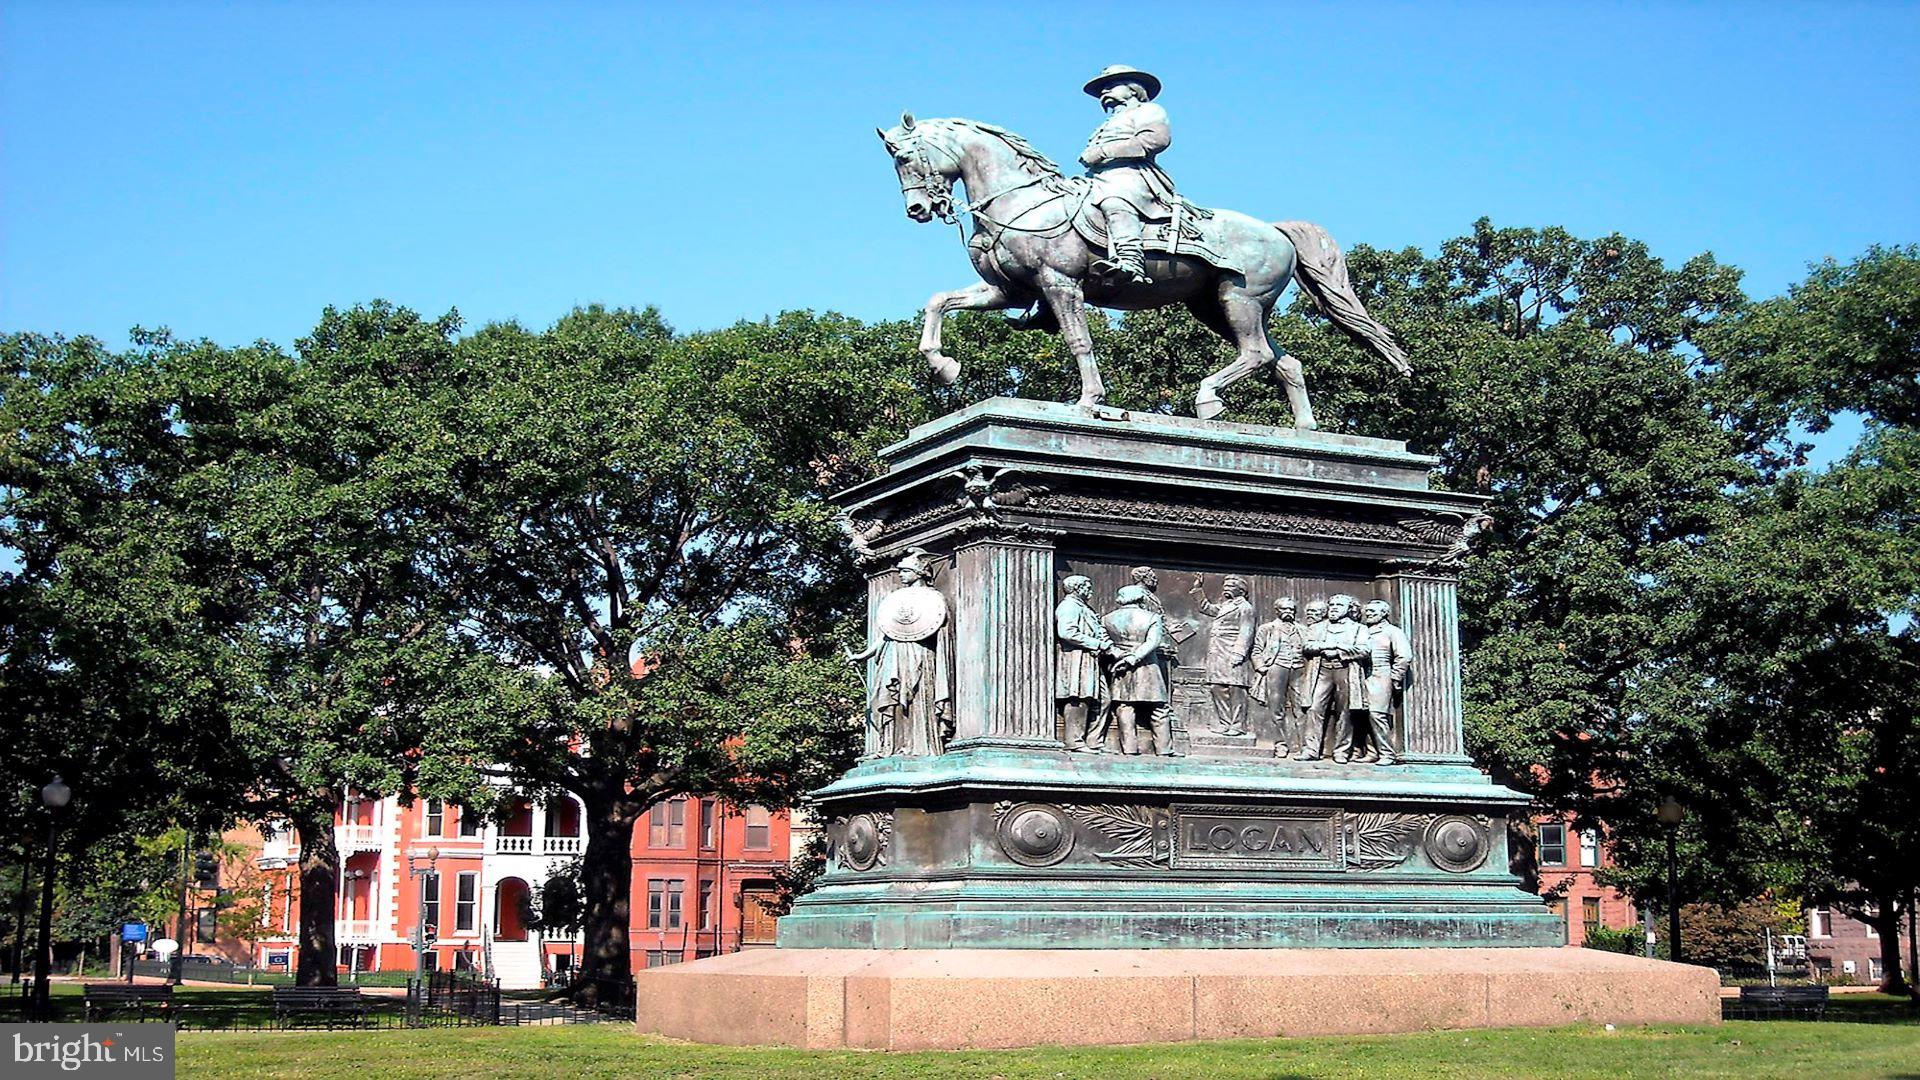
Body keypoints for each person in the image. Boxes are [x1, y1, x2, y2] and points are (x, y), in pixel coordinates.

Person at [846, 548, 953, 757]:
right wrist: (862, 655)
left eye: (905, 571)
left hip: (919, 654)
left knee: (917, 700)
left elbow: (938, 629)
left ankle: (920, 747)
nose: (901, 575)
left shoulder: (933, 597)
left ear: (919, 572)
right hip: (894, 653)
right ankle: (892, 747)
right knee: (889, 697)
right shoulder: (897, 598)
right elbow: (887, 632)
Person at [1079, 65, 1177, 287]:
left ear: (1133, 89)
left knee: (1115, 200)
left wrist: (1104, 152)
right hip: (1098, 177)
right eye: (1103, 89)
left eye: (1111, 86)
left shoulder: (1149, 110)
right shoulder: (1108, 122)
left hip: (1131, 175)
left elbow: (1154, 140)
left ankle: (1131, 261)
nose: (1104, 92)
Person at [1294, 594, 1369, 762]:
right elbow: (1307, 645)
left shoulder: (1359, 629)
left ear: (1348, 609)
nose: (1334, 608)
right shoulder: (1318, 627)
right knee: (1314, 708)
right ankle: (1311, 750)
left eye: (1339, 605)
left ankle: (1341, 751)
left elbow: (1363, 650)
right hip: (1322, 670)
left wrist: (1338, 651)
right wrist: (1324, 646)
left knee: (1346, 711)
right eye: (1331, 604)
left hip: (1346, 670)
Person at [1099, 584, 1173, 755]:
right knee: (1159, 708)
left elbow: (1105, 643)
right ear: (1140, 598)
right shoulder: (1152, 617)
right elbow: (1153, 642)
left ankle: (1129, 749)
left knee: (1124, 706)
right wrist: (1133, 658)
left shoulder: (1106, 619)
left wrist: (1120, 655)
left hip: (1119, 666)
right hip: (1147, 665)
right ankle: (1164, 749)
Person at [1188, 574, 1256, 736]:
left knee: (1236, 689)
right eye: (1225, 585)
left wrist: (1239, 653)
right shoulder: (1226, 605)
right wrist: (1198, 588)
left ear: (1241, 590)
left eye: (1230, 586)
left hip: (1233, 652)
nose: (1226, 588)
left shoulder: (1245, 607)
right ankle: (1225, 723)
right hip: (1218, 652)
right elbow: (1206, 608)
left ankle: (1238, 725)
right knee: (1216, 686)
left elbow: (1247, 632)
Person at [1054, 575, 1112, 752]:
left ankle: (1093, 740)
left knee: (1104, 700)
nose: (1090, 590)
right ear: (1077, 588)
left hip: (1090, 658)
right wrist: (1097, 644)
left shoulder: (1084, 607)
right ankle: (1074, 741)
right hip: (1076, 658)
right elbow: (1066, 632)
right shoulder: (1069, 606)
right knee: (1078, 697)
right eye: (1087, 586)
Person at [1251, 597, 1307, 757]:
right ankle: (1280, 743)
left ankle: (1304, 744)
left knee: (1301, 707)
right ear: (1277, 611)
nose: (1289, 612)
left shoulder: (1302, 629)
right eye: (1285, 609)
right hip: (1276, 667)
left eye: (1291, 609)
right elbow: (1257, 650)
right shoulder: (1267, 628)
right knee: (1276, 707)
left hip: (1298, 669)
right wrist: (1261, 667)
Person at [1359, 599, 1412, 767]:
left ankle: (1387, 753)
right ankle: (1372, 751)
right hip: (1361, 675)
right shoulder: (1362, 630)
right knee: (1363, 714)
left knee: (1377, 714)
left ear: (1384, 614)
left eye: (1373, 612)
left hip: (1381, 674)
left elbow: (1404, 656)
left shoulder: (1392, 631)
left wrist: (1395, 678)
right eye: (1367, 612)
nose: (1369, 614)